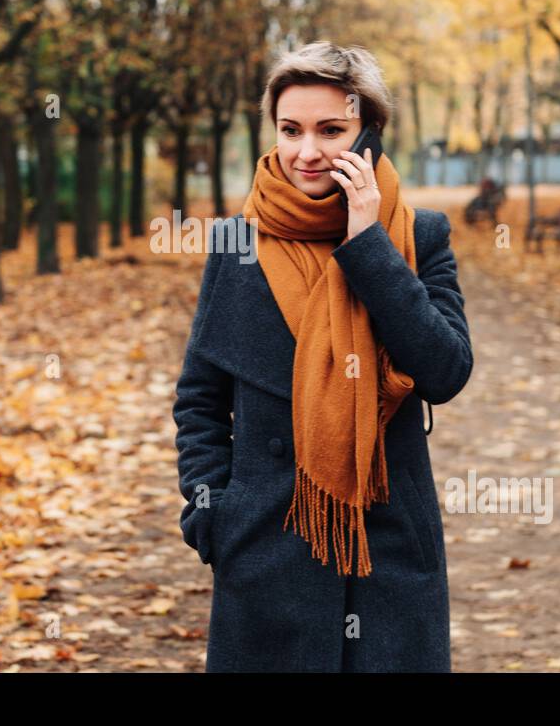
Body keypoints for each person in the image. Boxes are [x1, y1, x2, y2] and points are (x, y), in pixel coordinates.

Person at [172, 41, 474, 672]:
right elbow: (200, 399)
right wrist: (213, 517)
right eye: (291, 130)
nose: (307, 152)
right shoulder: (236, 244)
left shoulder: (418, 237)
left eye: (331, 130)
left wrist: (369, 247)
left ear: (370, 135)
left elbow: (445, 372)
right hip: (264, 547)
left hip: (388, 548)